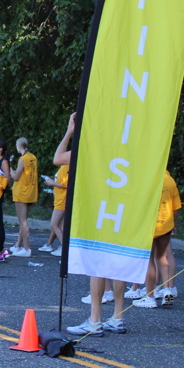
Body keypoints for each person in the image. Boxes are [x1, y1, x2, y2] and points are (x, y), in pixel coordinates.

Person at [53, 113, 128, 335]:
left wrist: (70, 132)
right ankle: (118, 317)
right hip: (122, 207)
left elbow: (58, 158)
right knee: (118, 262)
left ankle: (95, 319)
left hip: (98, 208)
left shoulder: (91, 149)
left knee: (98, 264)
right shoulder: (127, 151)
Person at [134, 170, 182, 308]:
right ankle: (167, 289)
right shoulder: (170, 180)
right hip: (166, 224)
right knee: (162, 257)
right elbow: (176, 208)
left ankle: (150, 296)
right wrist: (174, 224)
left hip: (148, 226)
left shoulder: (145, 179)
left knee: (149, 260)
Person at [9, 137, 38, 257]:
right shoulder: (33, 157)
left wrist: (9, 168)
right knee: (24, 221)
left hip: (21, 192)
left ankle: (26, 249)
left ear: (19, 147)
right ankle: (18, 245)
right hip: (31, 191)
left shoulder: (22, 159)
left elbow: (16, 176)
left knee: (23, 221)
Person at [42, 165, 69, 257]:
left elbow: (66, 184)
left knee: (54, 224)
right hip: (60, 198)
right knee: (61, 225)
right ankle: (63, 247)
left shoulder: (66, 167)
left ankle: (65, 248)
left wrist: (52, 183)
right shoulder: (64, 167)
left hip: (62, 200)